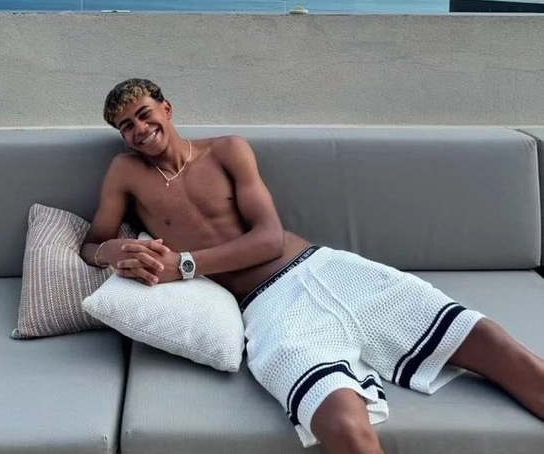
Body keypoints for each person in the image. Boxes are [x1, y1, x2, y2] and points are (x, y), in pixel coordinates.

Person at [80, 78, 544, 454]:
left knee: (501, 349)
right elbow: (92, 244)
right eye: (126, 126)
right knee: (341, 425)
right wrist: (113, 254)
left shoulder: (226, 150)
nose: (139, 129)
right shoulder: (125, 172)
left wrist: (183, 265)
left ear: (166, 108)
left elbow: (268, 238)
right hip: (267, 309)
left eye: (144, 114)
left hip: (327, 269)